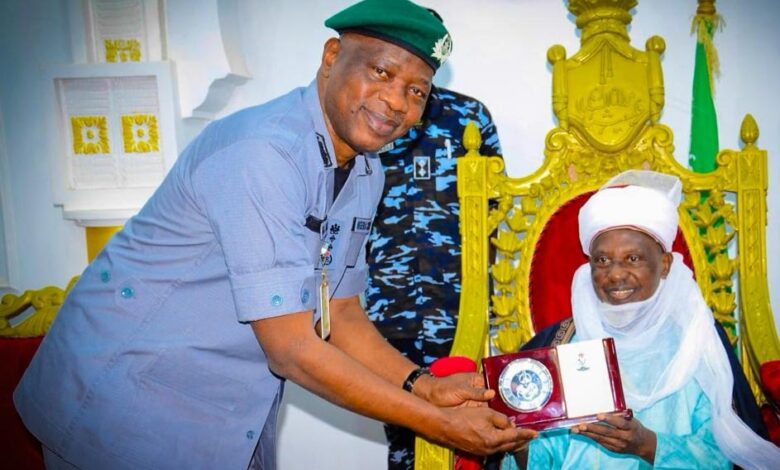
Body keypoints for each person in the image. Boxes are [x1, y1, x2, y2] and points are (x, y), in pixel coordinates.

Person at [14, 1, 537, 468]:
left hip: (223, 410)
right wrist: (438, 424)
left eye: (416, 91)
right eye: (381, 71)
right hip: (123, 400)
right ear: (332, 56)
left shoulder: (365, 170)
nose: (397, 101)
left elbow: (342, 313)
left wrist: (424, 387)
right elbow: (291, 349)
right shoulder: (262, 153)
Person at [500, 170, 780, 469]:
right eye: (602, 260)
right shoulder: (562, 343)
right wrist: (520, 446)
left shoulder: (697, 340)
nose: (615, 274)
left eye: (633, 259)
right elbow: (541, 456)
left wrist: (649, 446)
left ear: (665, 264)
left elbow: (724, 456)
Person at [366, 82, 503, 469]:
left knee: (473, 423)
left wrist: (484, 291)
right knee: (401, 423)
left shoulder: (469, 116)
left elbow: (494, 206)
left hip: (459, 305)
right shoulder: (375, 115)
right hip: (390, 305)